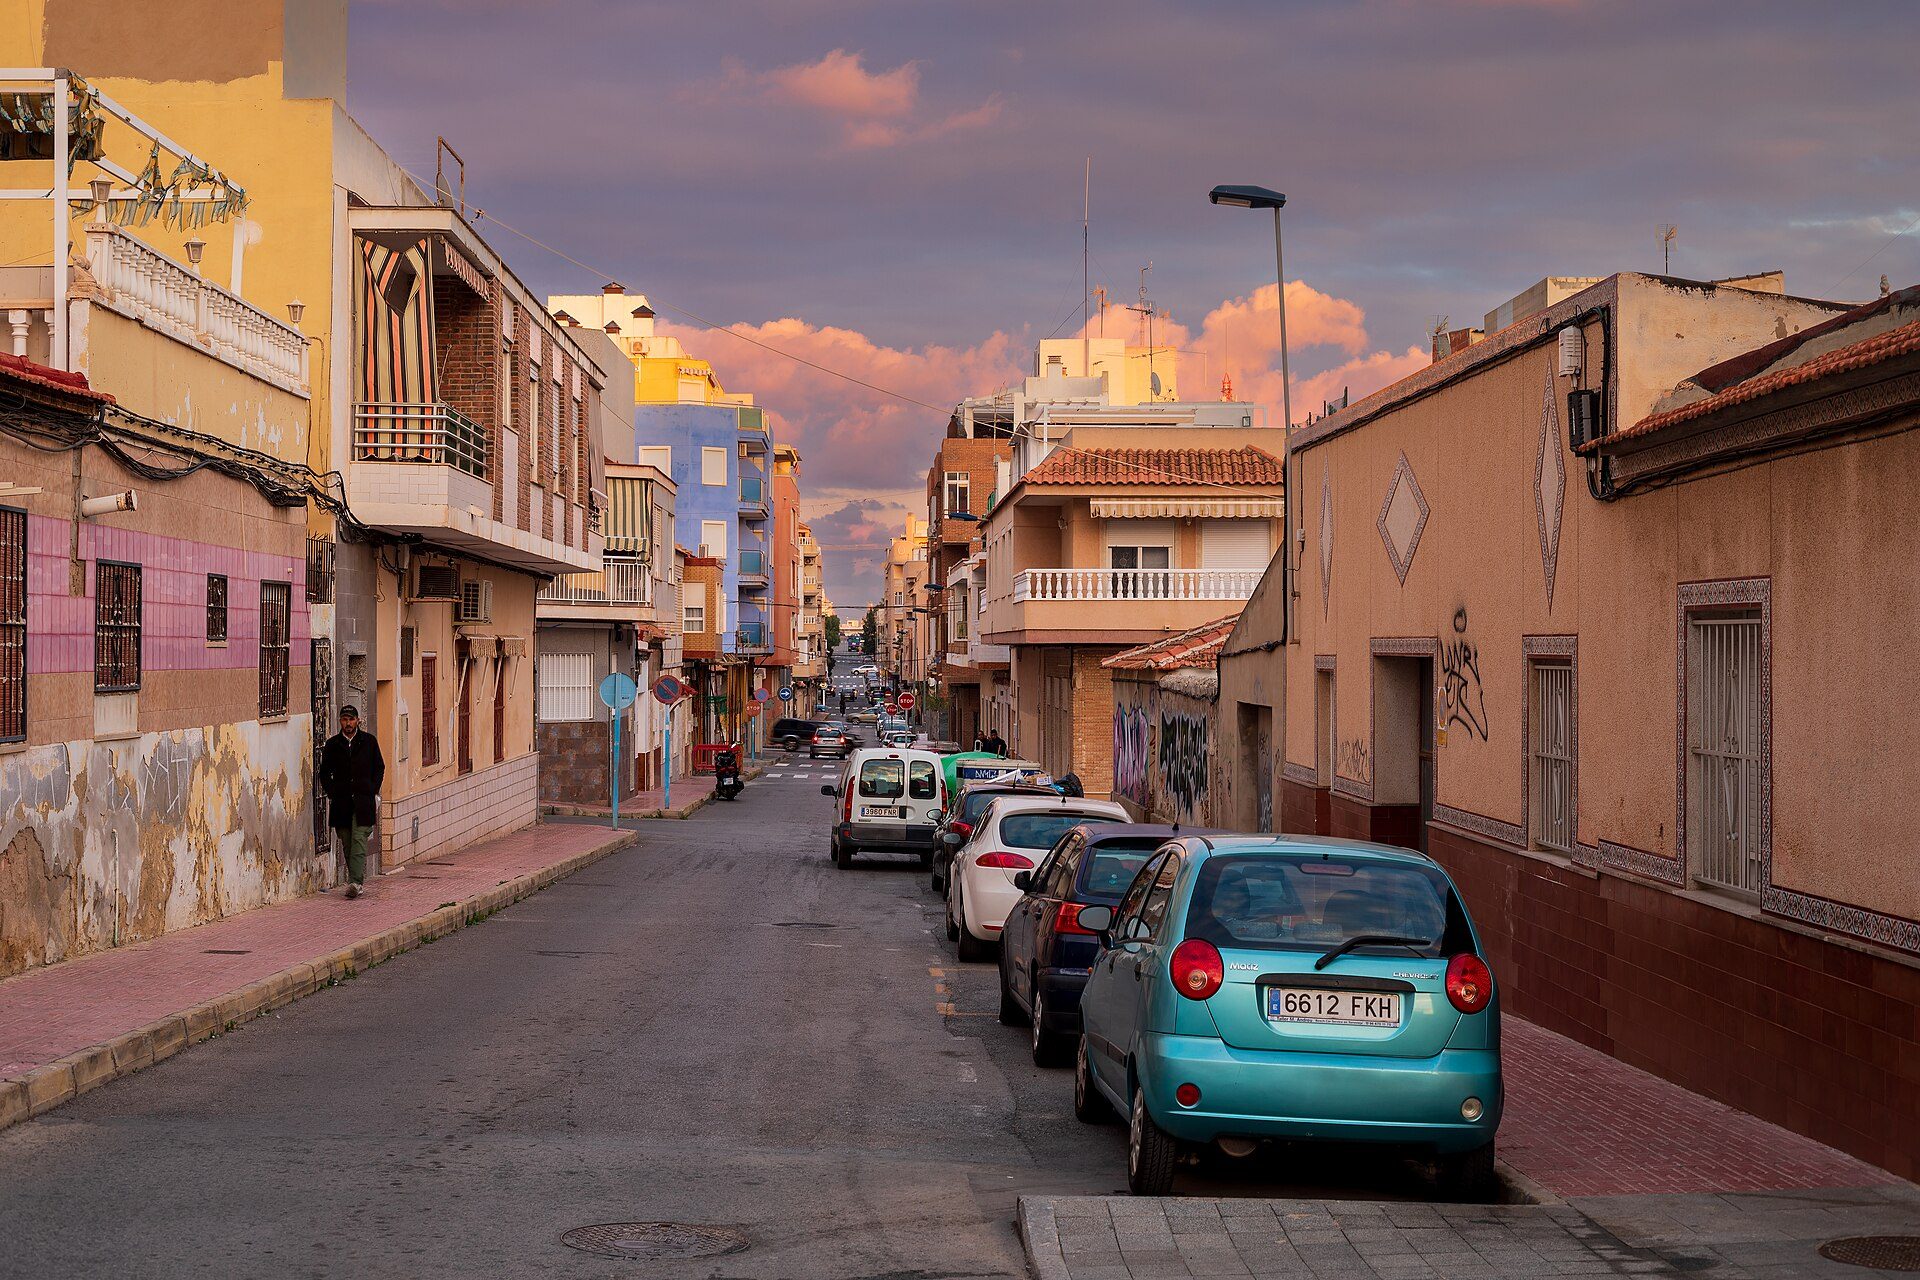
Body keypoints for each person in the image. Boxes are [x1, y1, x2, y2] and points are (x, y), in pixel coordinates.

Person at [318, 704, 386, 899]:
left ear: (358, 721)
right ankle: (356, 881)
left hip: (363, 801)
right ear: (340, 721)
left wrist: (372, 790)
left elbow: (379, 767)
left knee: (359, 839)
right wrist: (332, 792)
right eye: (345, 719)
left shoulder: (369, 742)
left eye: (351, 719)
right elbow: (324, 773)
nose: (348, 723)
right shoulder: (333, 745)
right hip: (342, 802)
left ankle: (355, 882)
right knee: (347, 842)